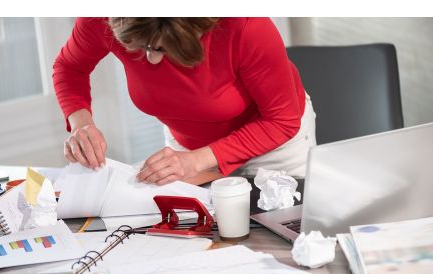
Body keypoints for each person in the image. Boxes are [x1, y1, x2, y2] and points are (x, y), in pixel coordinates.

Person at [53, 17, 316, 185]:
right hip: (186, 150)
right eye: (141, 47)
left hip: (271, 145)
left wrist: (195, 161)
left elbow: (281, 120)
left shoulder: (245, 25)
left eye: (160, 48)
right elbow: (69, 66)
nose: (151, 60)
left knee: (279, 239)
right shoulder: (103, 18)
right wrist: (81, 123)